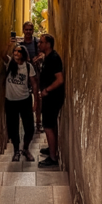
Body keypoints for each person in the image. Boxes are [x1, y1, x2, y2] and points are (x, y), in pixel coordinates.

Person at [1, 41, 38, 162]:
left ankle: (25, 148)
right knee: (13, 128)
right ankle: (16, 150)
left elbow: (34, 84)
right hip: (11, 102)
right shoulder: (10, 64)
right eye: (14, 51)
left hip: (24, 101)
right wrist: (8, 45)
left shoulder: (28, 67)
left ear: (23, 54)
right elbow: (2, 54)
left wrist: (36, 102)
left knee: (30, 128)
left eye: (18, 51)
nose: (16, 53)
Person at [37, 33, 64, 168]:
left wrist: (47, 90)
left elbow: (60, 79)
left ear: (48, 44)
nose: (39, 44)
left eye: (41, 42)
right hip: (50, 97)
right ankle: (51, 148)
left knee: (47, 126)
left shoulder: (53, 58)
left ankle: (52, 157)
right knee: (50, 125)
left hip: (52, 98)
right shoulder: (47, 57)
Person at [19, 21, 43, 132]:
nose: (28, 32)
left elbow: (44, 53)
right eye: (26, 29)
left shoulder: (37, 42)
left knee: (37, 97)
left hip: (35, 74)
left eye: (30, 29)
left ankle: (38, 122)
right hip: (23, 74)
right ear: (23, 30)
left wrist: (38, 58)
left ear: (32, 31)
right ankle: (26, 123)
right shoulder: (20, 45)